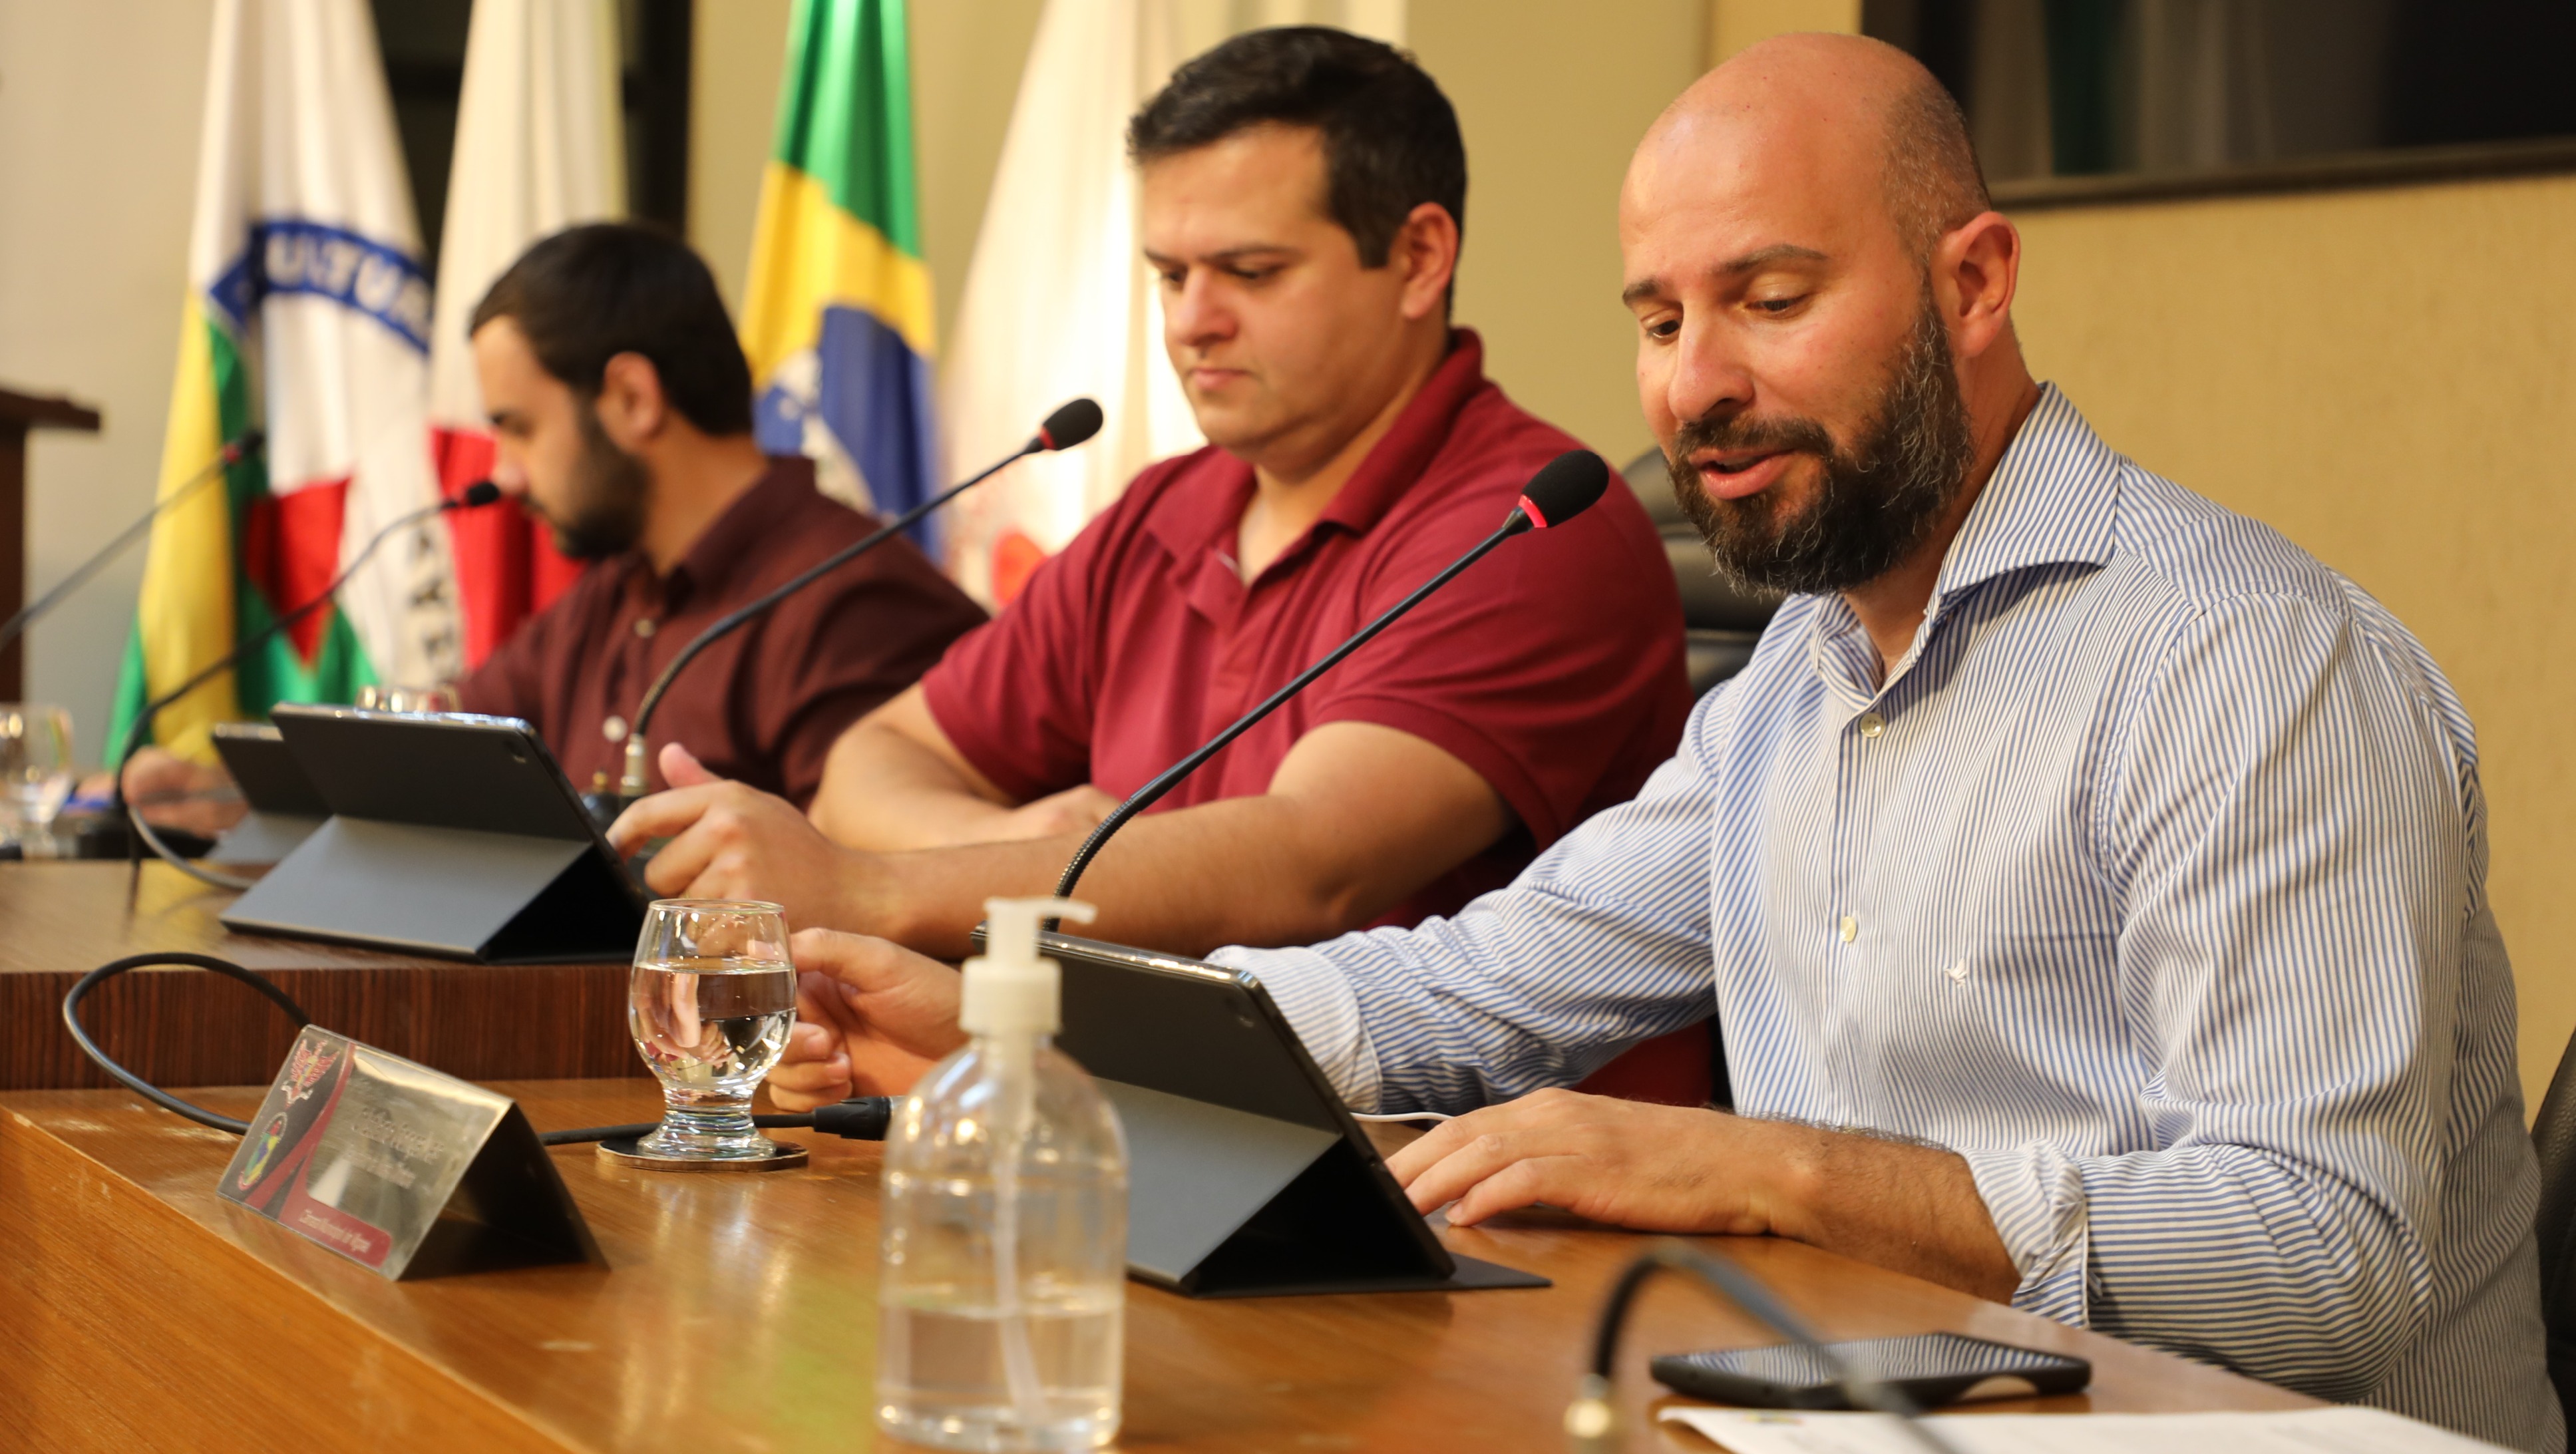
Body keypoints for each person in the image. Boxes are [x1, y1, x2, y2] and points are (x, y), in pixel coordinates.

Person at [751, 33, 2559, 1451]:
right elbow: (1469, 990)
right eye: (1660, 317)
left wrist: (1763, 1169)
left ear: (1977, 283)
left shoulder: (2246, 663)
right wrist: (1037, 1030)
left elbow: (2327, 1259)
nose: (1696, 382)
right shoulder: (1795, 678)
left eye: (1770, 300)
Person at [609, 31, 1693, 1031]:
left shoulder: (1535, 527)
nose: (1190, 320)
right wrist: (1020, 849)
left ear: (1417, 258)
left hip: (1470, 1179)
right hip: (1150, 1115)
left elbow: (1311, 863)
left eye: (1251, 273)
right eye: (1170, 275)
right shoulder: (1165, 509)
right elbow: (871, 760)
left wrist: (870, 886)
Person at [124, 224, 987, 826]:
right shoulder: (617, 589)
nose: (500, 472)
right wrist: (220, 793)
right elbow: (426, 758)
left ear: (633, 399)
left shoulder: (850, 597)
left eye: (519, 426)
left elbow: (853, 897)